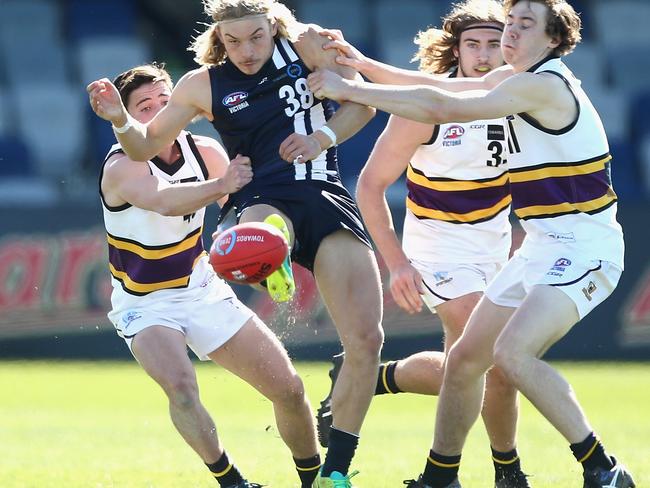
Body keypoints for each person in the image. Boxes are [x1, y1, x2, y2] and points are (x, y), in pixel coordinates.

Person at [307, 0, 636, 487]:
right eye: (512, 23)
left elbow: (444, 103)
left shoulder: (540, 84)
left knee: (510, 357)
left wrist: (351, 88)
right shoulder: (511, 81)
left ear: (552, 40)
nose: (510, 34)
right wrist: (364, 65)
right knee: (465, 361)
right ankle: (441, 476)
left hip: (584, 246)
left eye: (526, 25)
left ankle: (602, 469)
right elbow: (446, 90)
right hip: (526, 247)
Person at [87, 2, 384, 487]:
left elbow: (364, 102)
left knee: (361, 345)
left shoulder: (305, 45)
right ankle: (272, 254)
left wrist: (323, 136)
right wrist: (122, 120)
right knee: (185, 382)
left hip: (318, 199)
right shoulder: (197, 90)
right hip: (166, 284)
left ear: (275, 27)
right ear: (217, 40)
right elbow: (156, 180)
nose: (246, 51)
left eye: (256, 38)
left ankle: (330, 476)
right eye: (233, 41)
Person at [315, 2, 529, 487]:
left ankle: (376, 379)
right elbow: (369, 186)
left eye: (494, 44)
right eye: (472, 44)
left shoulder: (518, 98)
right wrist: (398, 265)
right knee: (491, 354)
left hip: (493, 246)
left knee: (474, 368)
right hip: (438, 248)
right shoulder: (425, 107)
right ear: (455, 50)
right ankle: (505, 473)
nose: (482, 54)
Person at [96, 63, 321, 488]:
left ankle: (316, 480)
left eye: (165, 102)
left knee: (289, 389)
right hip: (144, 303)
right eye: (144, 107)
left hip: (200, 288)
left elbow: (235, 211)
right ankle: (232, 481)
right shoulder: (121, 167)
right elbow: (163, 201)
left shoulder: (205, 150)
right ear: (125, 120)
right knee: (181, 387)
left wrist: (253, 248)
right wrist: (222, 185)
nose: (158, 113)